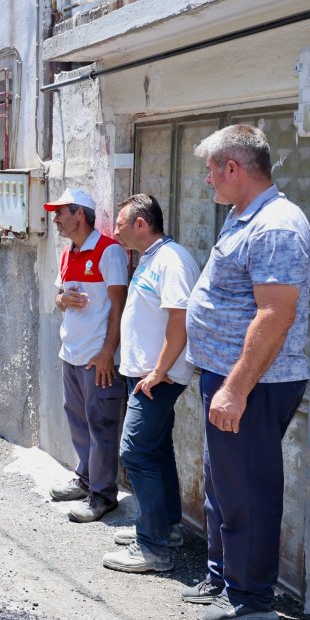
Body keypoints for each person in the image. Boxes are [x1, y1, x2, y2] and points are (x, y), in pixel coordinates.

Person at [180, 125, 310, 620]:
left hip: (254, 383)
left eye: (211, 170)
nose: (207, 181)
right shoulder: (243, 216)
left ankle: (251, 602)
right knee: (224, 485)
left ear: (233, 168)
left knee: (248, 491)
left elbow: (275, 314)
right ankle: (224, 579)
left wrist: (235, 388)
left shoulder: (276, 224)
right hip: (229, 375)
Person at [101, 194, 200, 575]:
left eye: (122, 223)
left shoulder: (172, 261)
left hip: (157, 378)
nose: (116, 230)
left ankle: (152, 547)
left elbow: (180, 320)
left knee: (135, 453)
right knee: (156, 451)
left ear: (141, 224)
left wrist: (158, 372)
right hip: (147, 374)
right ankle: (167, 527)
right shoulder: (151, 259)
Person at [46, 188, 129, 523]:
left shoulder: (109, 251)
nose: (55, 220)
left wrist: (108, 352)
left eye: (60, 213)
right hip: (72, 353)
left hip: (98, 358)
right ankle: (85, 480)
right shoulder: (68, 252)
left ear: (80, 214)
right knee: (78, 420)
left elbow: (120, 306)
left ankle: (104, 495)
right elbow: (58, 298)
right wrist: (64, 300)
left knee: (102, 425)